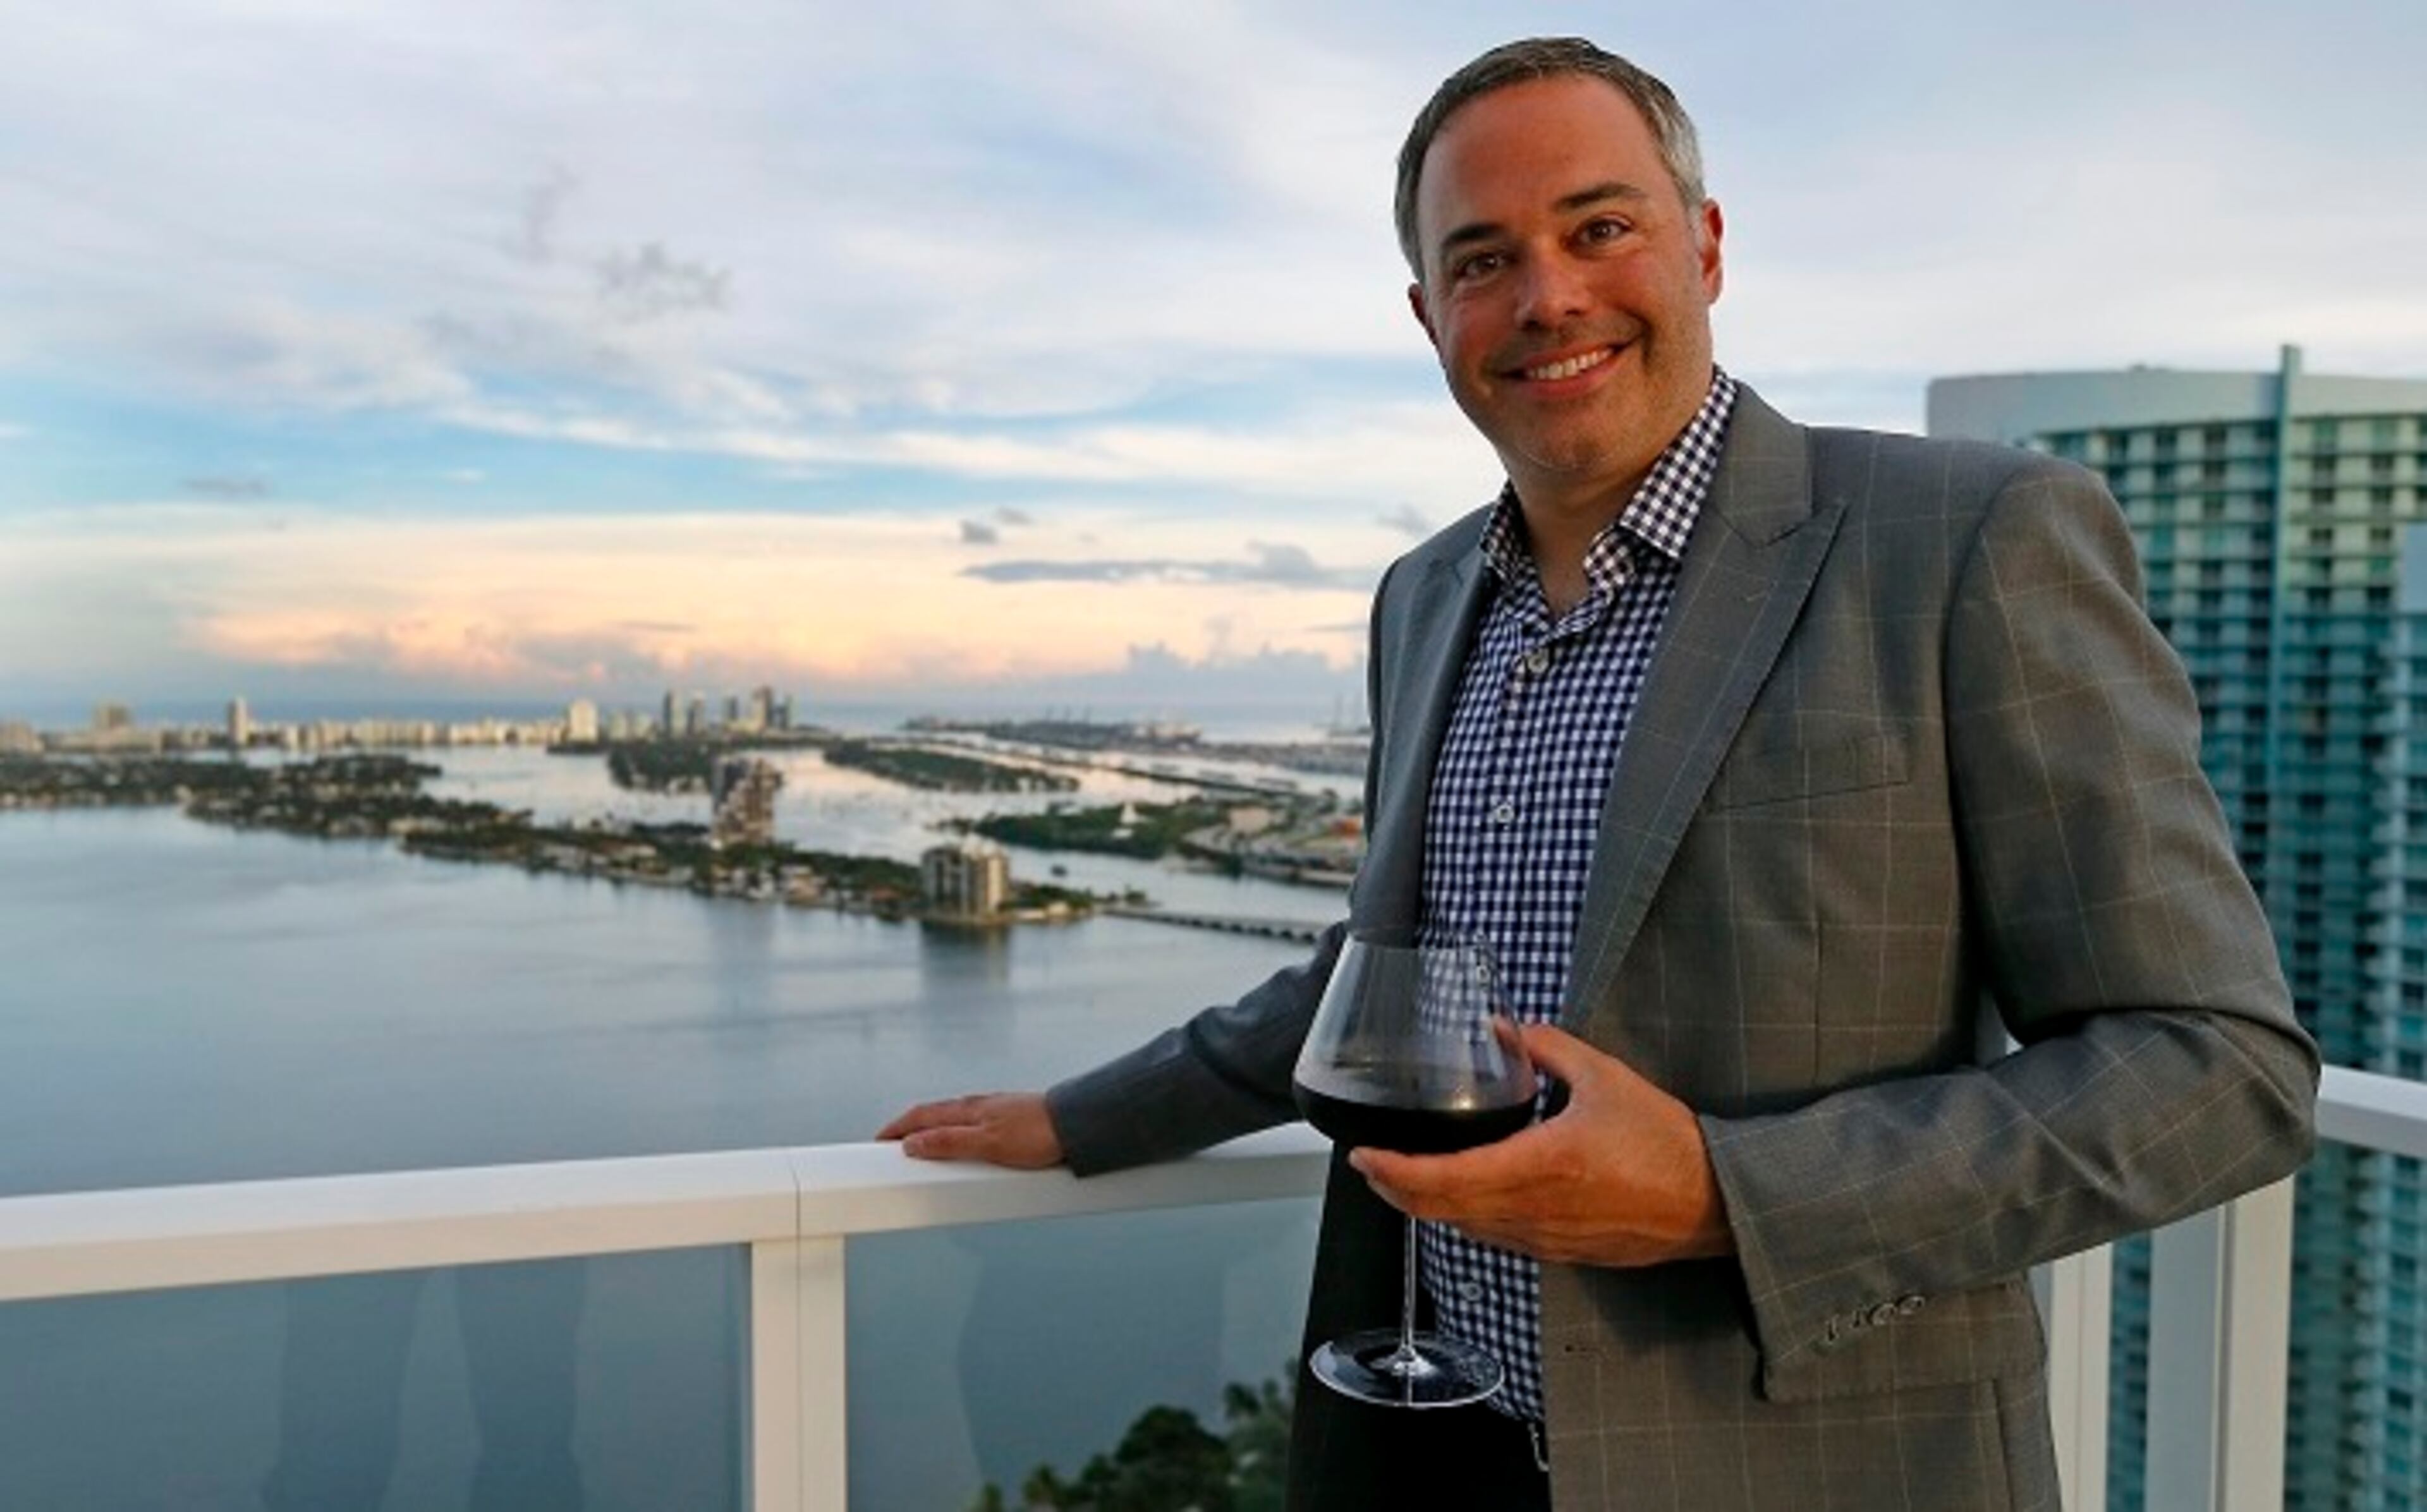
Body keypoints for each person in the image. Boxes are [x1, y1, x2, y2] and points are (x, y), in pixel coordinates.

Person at [880, 36, 2319, 1512]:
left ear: (1705, 244)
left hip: (1804, 1471)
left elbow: (2218, 1068)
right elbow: (1383, 975)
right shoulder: (1423, 596)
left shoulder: (1964, 540)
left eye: (1600, 227)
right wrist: (1085, 1118)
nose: (1548, 297)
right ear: (1429, 314)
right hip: (1438, 1450)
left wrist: (1720, 1194)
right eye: (1483, 259)